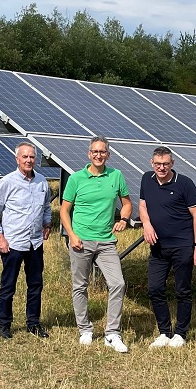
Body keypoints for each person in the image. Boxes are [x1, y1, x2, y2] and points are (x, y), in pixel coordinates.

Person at [60, 136, 132, 352]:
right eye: (95, 152)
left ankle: (112, 333)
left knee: (117, 283)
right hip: (81, 240)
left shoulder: (116, 176)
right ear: (89, 154)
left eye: (102, 152)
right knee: (80, 286)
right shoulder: (76, 179)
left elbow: (127, 204)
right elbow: (64, 210)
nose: (98, 155)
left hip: (106, 241)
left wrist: (123, 220)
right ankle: (85, 329)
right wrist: (71, 234)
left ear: (108, 155)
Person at [138, 146, 196, 348]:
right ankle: (164, 332)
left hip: (183, 246)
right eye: (158, 164)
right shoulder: (146, 179)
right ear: (152, 164)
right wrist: (147, 224)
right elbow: (142, 205)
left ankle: (181, 334)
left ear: (172, 164)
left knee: (182, 290)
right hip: (158, 247)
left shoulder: (185, 184)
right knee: (154, 289)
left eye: (166, 164)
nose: (162, 168)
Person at [0, 141, 52, 339]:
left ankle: (33, 323)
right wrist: (0, 236)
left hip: (35, 242)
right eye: (24, 156)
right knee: (9, 285)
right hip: (13, 242)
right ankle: (5, 325)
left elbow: (46, 206)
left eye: (32, 157)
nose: (28, 160)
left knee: (35, 285)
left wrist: (47, 224)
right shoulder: (7, 182)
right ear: (17, 159)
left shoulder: (42, 181)